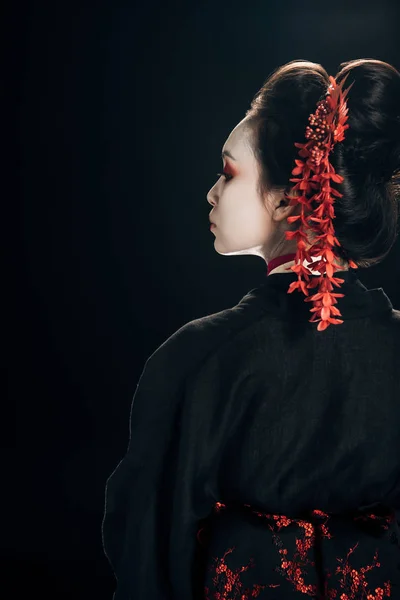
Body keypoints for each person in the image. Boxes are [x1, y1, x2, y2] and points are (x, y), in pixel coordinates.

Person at [101, 58, 400, 599]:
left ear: (291, 199)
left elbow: (146, 554)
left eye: (228, 172)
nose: (212, 193)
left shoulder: (199, 359)